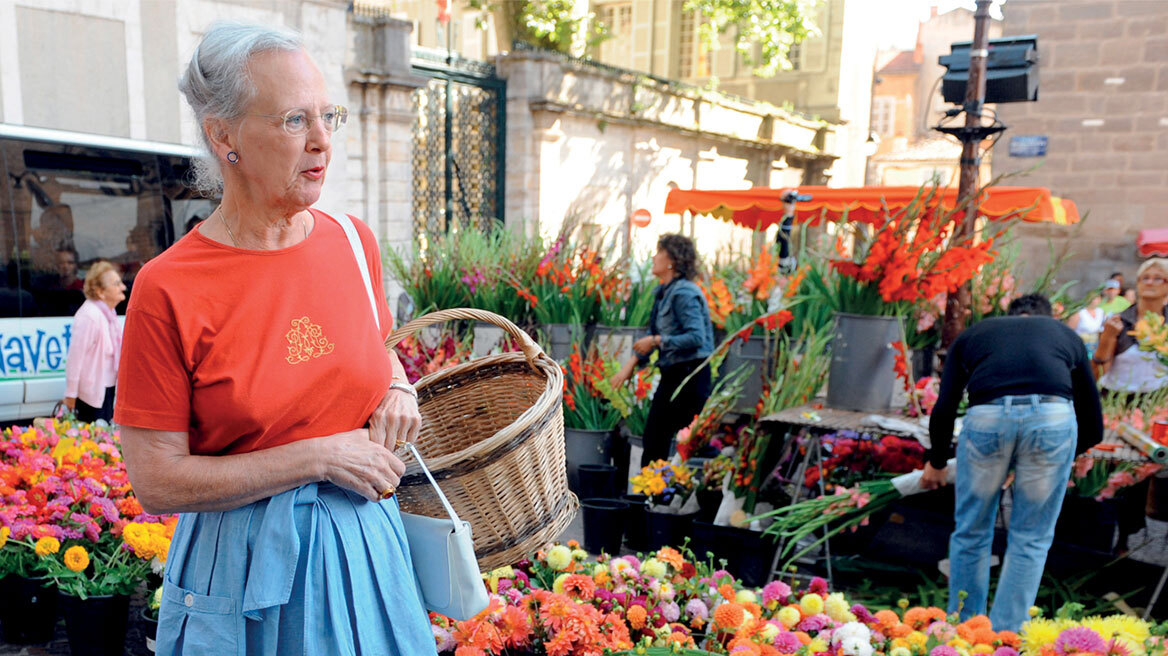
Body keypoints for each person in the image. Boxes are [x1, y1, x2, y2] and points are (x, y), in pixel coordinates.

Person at [113, 22, 435, 655]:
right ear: (224, 136)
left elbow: (375, 348)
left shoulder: (352, 242)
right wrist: (318, 458)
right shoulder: (167, 287)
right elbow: (156, 481)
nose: (321, 143)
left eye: (327, 117)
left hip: (368, 553)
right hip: (242, 569)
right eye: (293, 121)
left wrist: (397, 385)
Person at [921, 294, 1103, 632]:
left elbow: (944, 406)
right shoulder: (1066, 336)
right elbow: (1093, 420)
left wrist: (937, 461)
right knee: (1031, 538)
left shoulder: (976, 333)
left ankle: (965, 631)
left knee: (971, 532)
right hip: (1052, 419)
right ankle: (1006, 637)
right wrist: (1064, 455)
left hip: (988, 416)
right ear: (1047, 317)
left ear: (1010, 315)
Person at [610, 234, 715, 467]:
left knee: (679, 444)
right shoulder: (664, 293)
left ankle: (661, 497)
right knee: (655, 439)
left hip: (690, 377)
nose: (653, 257)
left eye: (659, 252)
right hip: (674, 374)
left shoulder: (684, 293)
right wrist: (629, 366)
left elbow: (697, 337)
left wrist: (657, 340)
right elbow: (650, 336)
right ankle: (653, 496)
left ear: (672, 261)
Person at [1093, 258, 1168, 553]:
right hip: (1117, 404)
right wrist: (1106, 339)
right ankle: (1098, 531)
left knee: (1138, 474)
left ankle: (1125, 539)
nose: (1148, 282)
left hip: (1154, 405)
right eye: (1144, 277)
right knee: (1105, 469)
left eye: (1157, 278)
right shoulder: (1119, 321)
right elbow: (1097, 371)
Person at [63, 261, 125, 423]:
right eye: (116, 284)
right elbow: (75, 360)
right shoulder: (89, 315)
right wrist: (71, 394)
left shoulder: (109, 313)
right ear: (100, 292)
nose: (123, 287)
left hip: (108, 390)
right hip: (91, 395)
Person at [1066, 293, 1105, 359]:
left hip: (1095, 345)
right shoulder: (1080, 312)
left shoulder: (1101, 312)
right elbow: (1069, 330)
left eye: (1097, 298)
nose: (1095, 301)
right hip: (1081, 345)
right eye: (1093, 299)